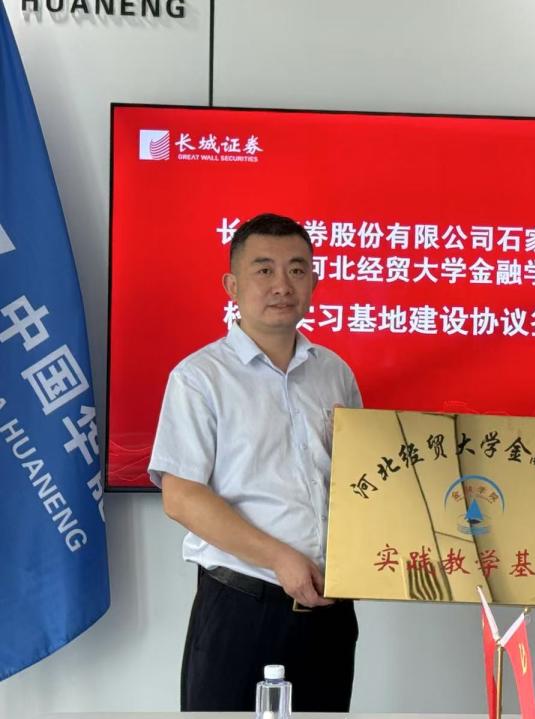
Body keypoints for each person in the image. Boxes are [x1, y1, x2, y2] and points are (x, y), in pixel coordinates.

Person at [148, 213, 362, 712]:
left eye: (297, 269)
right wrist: (279, 558)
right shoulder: (200, 378)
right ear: (232, 285)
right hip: (242, 607)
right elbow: (181, 497)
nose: (282, 285)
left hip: (329, 610)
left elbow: (358, 483)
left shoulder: (334, 374)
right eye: (264, 270)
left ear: (314, 281)